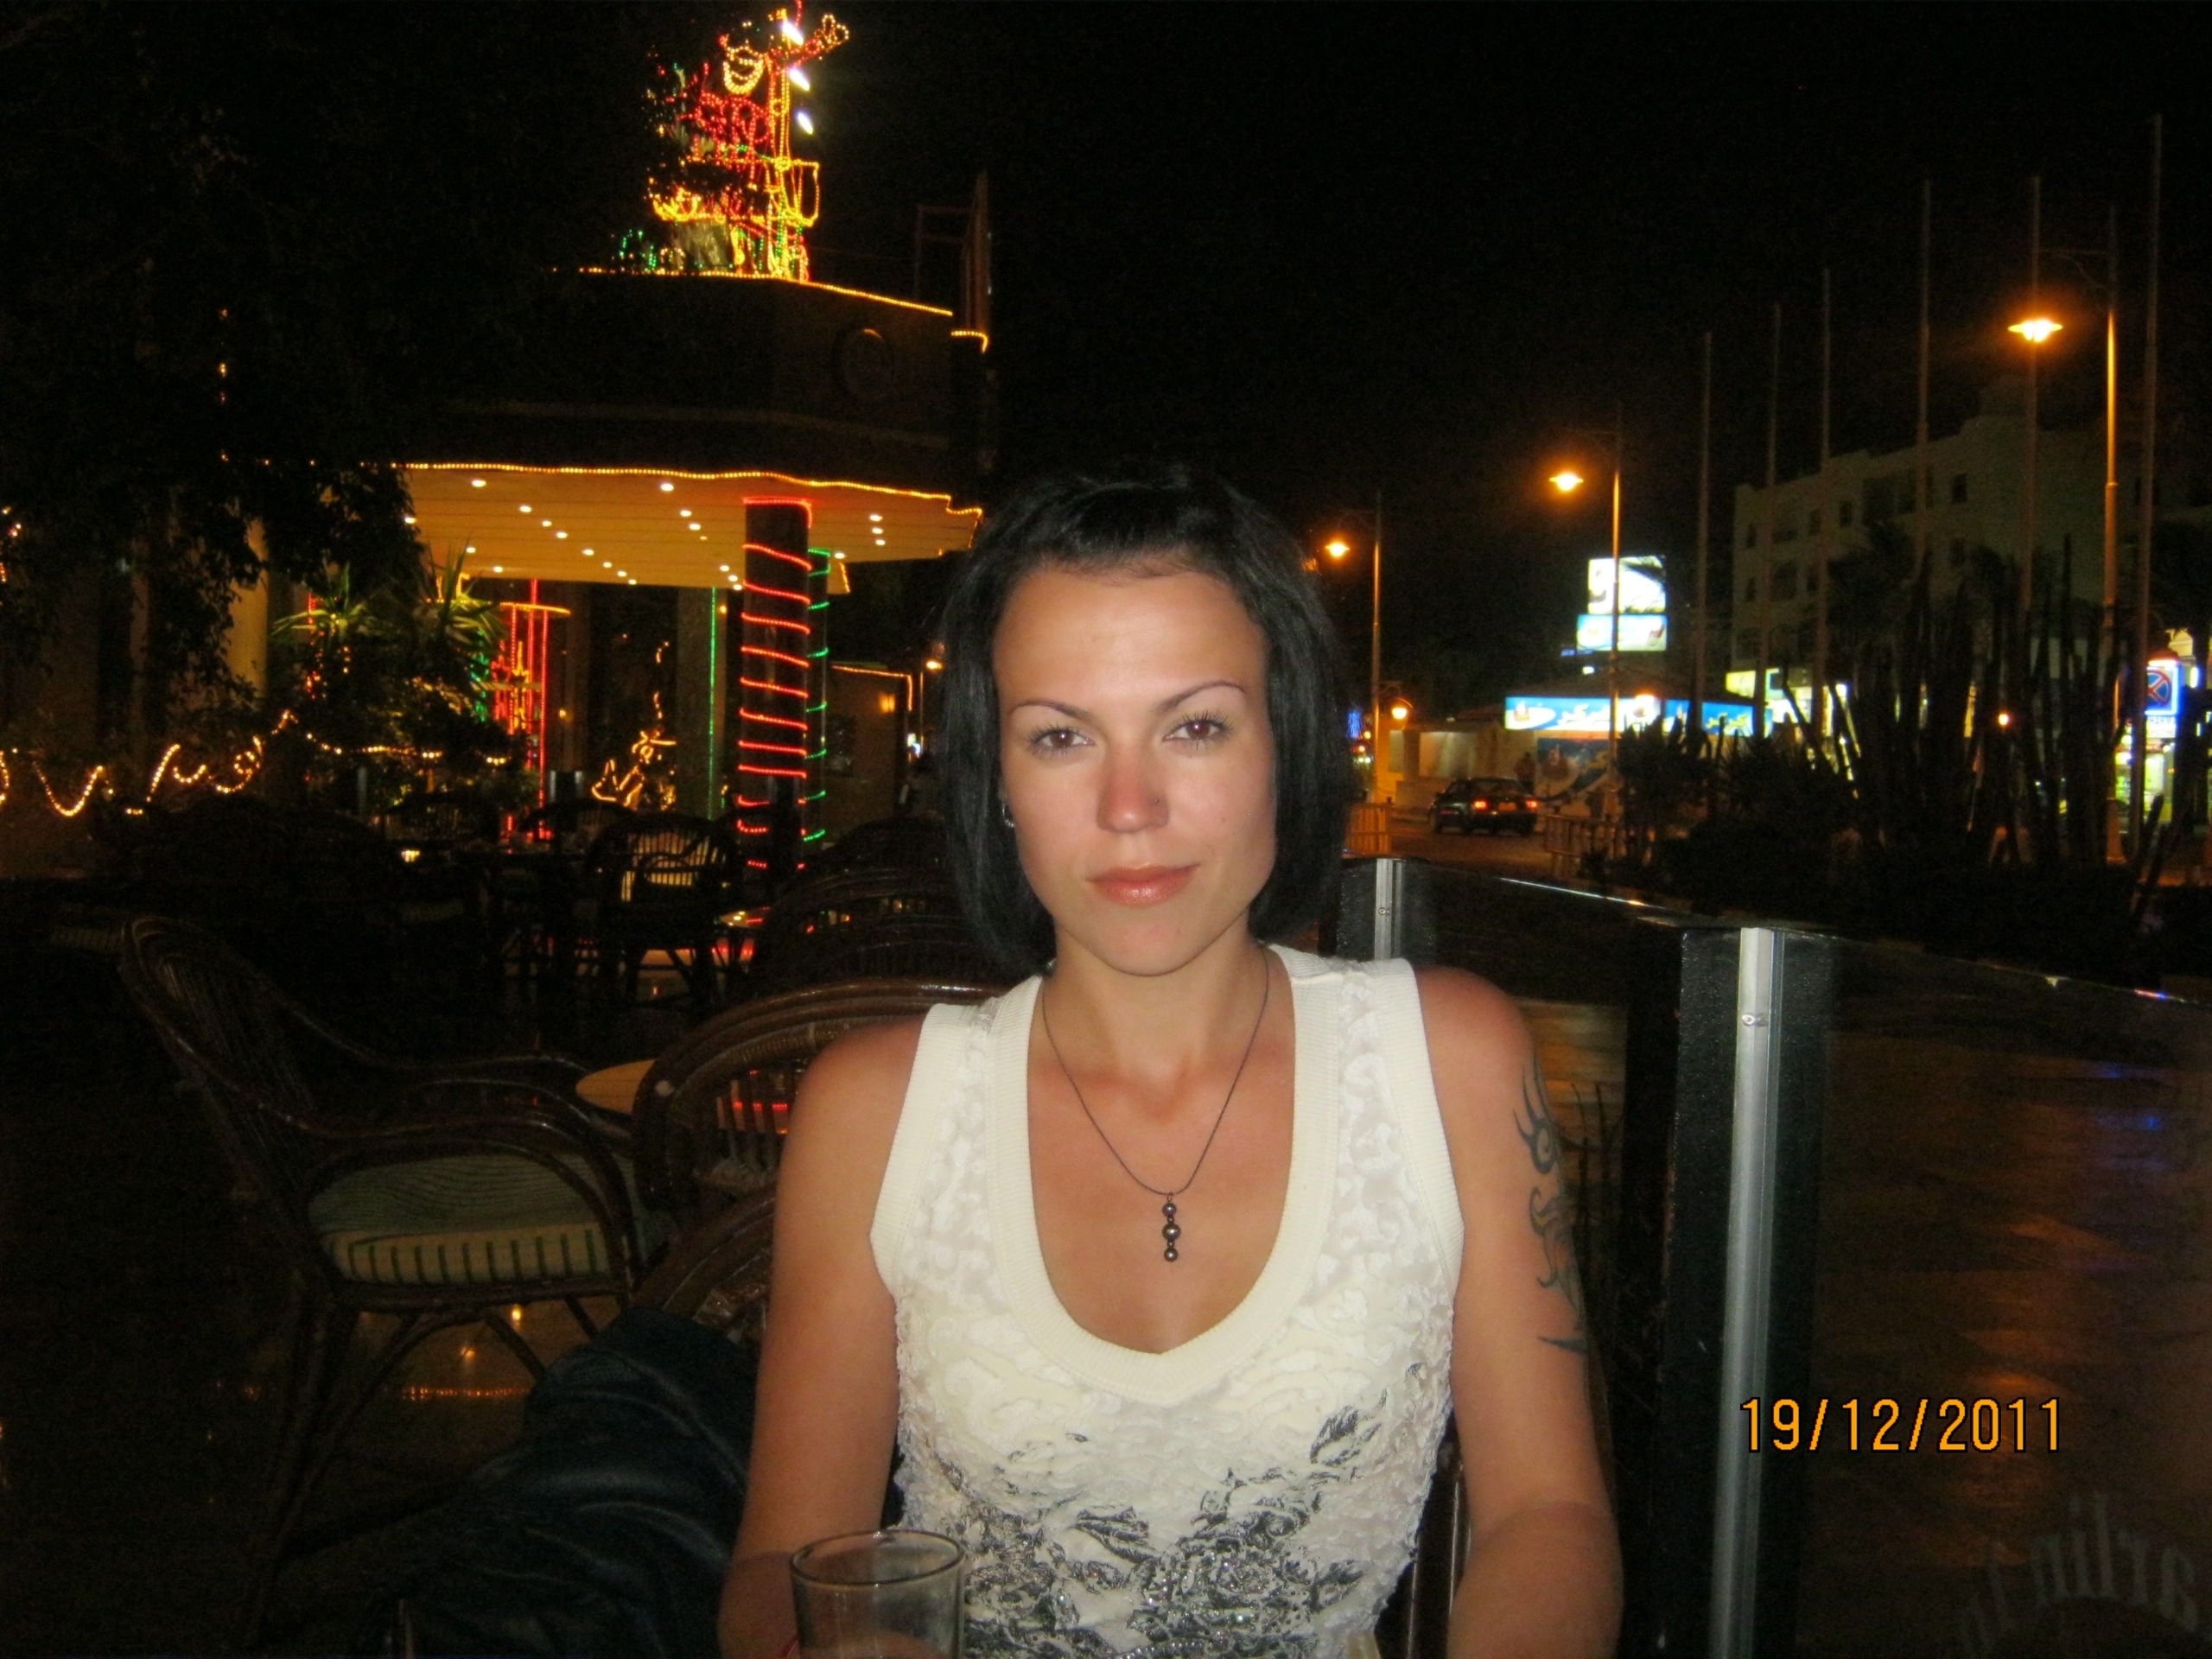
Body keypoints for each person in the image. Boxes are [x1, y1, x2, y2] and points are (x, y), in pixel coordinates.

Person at [721, 467, 1618, 1659]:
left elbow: (1549, 1515)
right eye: (1060, 737)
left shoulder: (1449, 1063)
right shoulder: (874, 1112)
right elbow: (784, 1564)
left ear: (1285, 746)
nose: (1130, 805)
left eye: (1195, 727)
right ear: (998, 783)